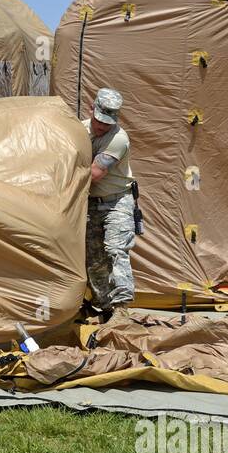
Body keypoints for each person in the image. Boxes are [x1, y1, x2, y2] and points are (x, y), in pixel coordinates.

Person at [84, 87, 135, 312]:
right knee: (94, 259)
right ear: (91, 110)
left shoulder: (118, 139)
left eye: (107, 123)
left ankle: (122, 309)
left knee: (115, 250)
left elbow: (94, 174)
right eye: (99, 121)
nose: (101, 127)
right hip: (91, 204)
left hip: (117, 202)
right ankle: (104, 309)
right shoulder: (80, 129)